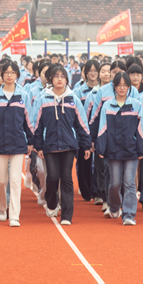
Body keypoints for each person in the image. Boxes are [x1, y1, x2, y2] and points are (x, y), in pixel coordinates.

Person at [34, 65, 92, 225]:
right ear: (50, 79)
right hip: (49, 144)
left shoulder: (73, 99)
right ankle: (52, 203)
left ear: (67, 79)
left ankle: (67, 215)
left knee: (66, 178)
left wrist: (86, 145)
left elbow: (82, 124)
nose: (59, 79)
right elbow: (37, 124)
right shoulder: (43, 99)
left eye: (62, 76)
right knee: (52, 177)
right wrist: (38, 145)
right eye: (56, 76)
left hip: (69, 145)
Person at [0, 62, 32, 227]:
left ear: (17, 75)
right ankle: (2, 207)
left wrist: (31, 141)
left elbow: (29, 121)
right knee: (1, 180)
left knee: (15, 180)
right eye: (6, 73)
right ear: (1, 75)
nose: (9, 75)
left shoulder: (23, 96)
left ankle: (14, 215)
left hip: (18, 142)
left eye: (12, 72)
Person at [96, 71, 143, 226]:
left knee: (129, 183)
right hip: (113, 150)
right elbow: (102, 127)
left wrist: (141, 148)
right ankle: (114, 206)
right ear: (114, 87)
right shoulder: (107, 105)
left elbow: (141, 129)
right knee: (115, 183)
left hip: (131, 150)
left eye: (125, 85)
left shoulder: (136, 105)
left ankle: (129, 215)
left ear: (129, 87)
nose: (122, 88)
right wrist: (101, 147)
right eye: (119, 85)